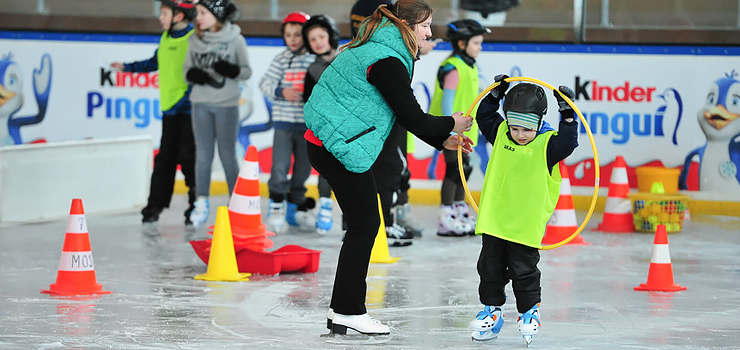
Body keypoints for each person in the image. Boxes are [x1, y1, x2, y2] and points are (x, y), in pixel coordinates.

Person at [303, 0, 474, 337]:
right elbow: (412, 115)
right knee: (365, 224)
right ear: (406, 26)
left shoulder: (380, 47)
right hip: (338, 145)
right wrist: (452, 124)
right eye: (424, 25)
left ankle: (342, 311)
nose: (429, 32)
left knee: (365, 223)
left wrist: (443, 141)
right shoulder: (387, 59)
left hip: (328, 141)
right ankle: (348, 311)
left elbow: (400, 113)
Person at [468, 75, 578, 345]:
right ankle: (491, 311)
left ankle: (530, 312)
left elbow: (568, 144)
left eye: (527, 130)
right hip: (495, 220)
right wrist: (494, 95)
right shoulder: (502, 133)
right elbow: (484, 118)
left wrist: (567, 115)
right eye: (515, 128)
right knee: (489, 268)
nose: (519, 135)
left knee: (524, 271)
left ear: (539, 123)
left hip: (525, 225)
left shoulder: (548, 145)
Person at [112, 0, 197, 227]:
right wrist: (128, 67)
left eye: (165, 13)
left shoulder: (194, 39)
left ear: (179, 16)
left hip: (189, 110)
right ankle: (156, 204)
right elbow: (154, 62)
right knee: (165, 158)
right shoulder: (166, 37)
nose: (160, 18)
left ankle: (195, 203)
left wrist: (187, 97)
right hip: (170, 109)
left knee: (189, 158)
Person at [183, 0, 251, 228]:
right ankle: (201, 201)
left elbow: (246, 71)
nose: (198, 17)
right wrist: (193, 75)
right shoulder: (194, 40)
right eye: (197, 13)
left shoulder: (236, 40)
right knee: (203, 154)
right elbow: (185, 72)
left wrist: (232, 71)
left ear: (217, 14)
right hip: (200, 103)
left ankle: (236, 201)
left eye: (202, 12)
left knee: (227, 154)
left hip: (227, 105)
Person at [429, 19, 489, 236]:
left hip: (463, 129)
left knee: (464, 170)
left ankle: (458, 210)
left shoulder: (469, 65)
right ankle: (446, 216)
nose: (479, 47)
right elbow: (447, 101)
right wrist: (451, 128)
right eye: (476, 43)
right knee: (454, 169)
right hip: (451, 129)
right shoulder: (453, 67)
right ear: (462, 44)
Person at [259, 11, 317, 234]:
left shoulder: (314, 60)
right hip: (283, 124)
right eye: (288, 34)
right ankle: (276, 208)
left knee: (303, 169)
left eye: (298, 34)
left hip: (306, 126)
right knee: (279, 168)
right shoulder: (281, 59)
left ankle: (295, 207)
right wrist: (281, 91)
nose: (292, 39)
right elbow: (265, 83)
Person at [301, 14, 340, 235]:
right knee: (326, 169)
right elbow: (307, 101)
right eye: (312, 39)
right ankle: (324, 205)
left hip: (352, 128)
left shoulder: (346, 59)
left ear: (331, 36)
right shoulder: (312, 70)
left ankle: (349, 213)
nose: (317, 42)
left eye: (321, 37)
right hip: (325, 128)